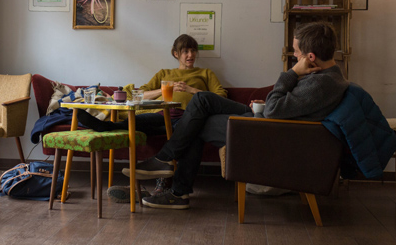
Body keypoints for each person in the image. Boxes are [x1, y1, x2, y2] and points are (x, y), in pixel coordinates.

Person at [128, 21, 349, 209]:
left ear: (310, 56)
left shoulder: (320, 84)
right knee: (202, 101)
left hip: (264, 129)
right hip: (261, 119)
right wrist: (266, 102)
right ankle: (170, 177)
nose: (294, 55)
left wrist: (291, 74)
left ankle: (170, 176)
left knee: (196, 120)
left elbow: (274, 110)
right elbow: (281, 106)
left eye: (296, 52)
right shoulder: (326, 76)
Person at [75, 34, 227, 201]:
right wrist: (162, 91)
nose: (190, 55)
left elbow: (220, 97)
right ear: (176, 54)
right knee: (136, 123)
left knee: (188, 135)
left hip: (189, 119)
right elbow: (139, 94)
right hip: (163, 115)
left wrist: (191, 90)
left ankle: (156, 185)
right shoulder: (164, 73)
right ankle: (105, 126)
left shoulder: (205, 73)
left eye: (192, 51)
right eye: (185, 51)